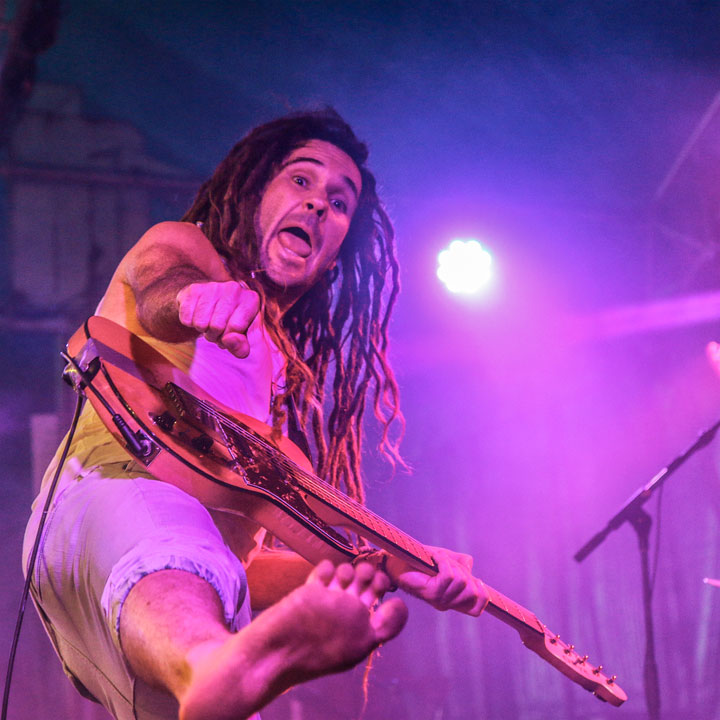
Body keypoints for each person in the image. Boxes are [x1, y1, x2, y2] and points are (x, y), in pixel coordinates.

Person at [23, 109, 488, 720]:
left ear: (336, 254)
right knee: (188, 565)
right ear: (253, 190)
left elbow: (241, 566)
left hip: (153, 609)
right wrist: (194, 298)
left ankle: (215, 664)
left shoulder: (272, 378)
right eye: (301, 180)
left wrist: (397, 567)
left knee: (214, 664)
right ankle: (212, 659)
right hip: (107, 500)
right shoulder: (187, 247)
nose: (320, 204)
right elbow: (159, 286)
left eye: (340, 202)